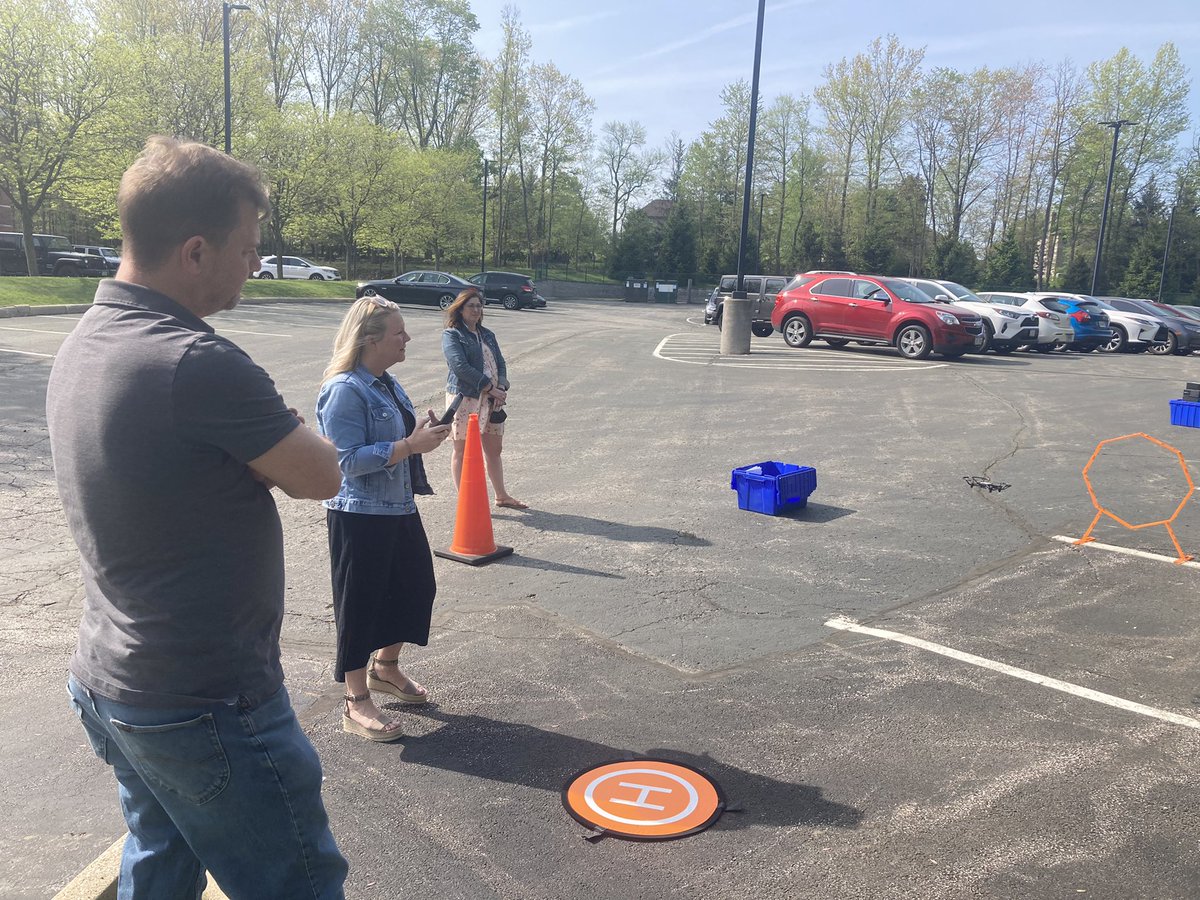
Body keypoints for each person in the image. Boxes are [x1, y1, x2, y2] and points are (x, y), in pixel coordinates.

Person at [46, 137, 349, 899]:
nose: (254, 265)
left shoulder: (85, 339)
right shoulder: (195, 361)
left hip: (114, 682)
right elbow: (321, 473)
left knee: (162, 855)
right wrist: (274, 424)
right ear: (193, 251)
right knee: (298, 883)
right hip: (206, 702)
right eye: (246, 249)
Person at [316, 297, 450, 742]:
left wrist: (419, 434)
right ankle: (356, 702)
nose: (407, 339)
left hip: (398, 506)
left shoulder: (384, 382)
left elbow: (396, 437)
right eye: (399, 332)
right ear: (370, 340)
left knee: (416, 589)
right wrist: (409, 447)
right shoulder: (344, 389)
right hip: (359, 515)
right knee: (360, 607)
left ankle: (386, 668)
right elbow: (346, 461)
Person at [441, 289, 527, 509]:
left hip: (492, 401)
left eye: (479, 306)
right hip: (466, 398)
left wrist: (501, 387)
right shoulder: (453, 335)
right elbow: (460, 367)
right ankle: (466, 502)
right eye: (471, 305)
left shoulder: (487, 334)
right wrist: (489, 387)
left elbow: (500, 363)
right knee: (462, 450)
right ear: (459, 309)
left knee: (494, 450)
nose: (476, 310)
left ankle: (501, 496)